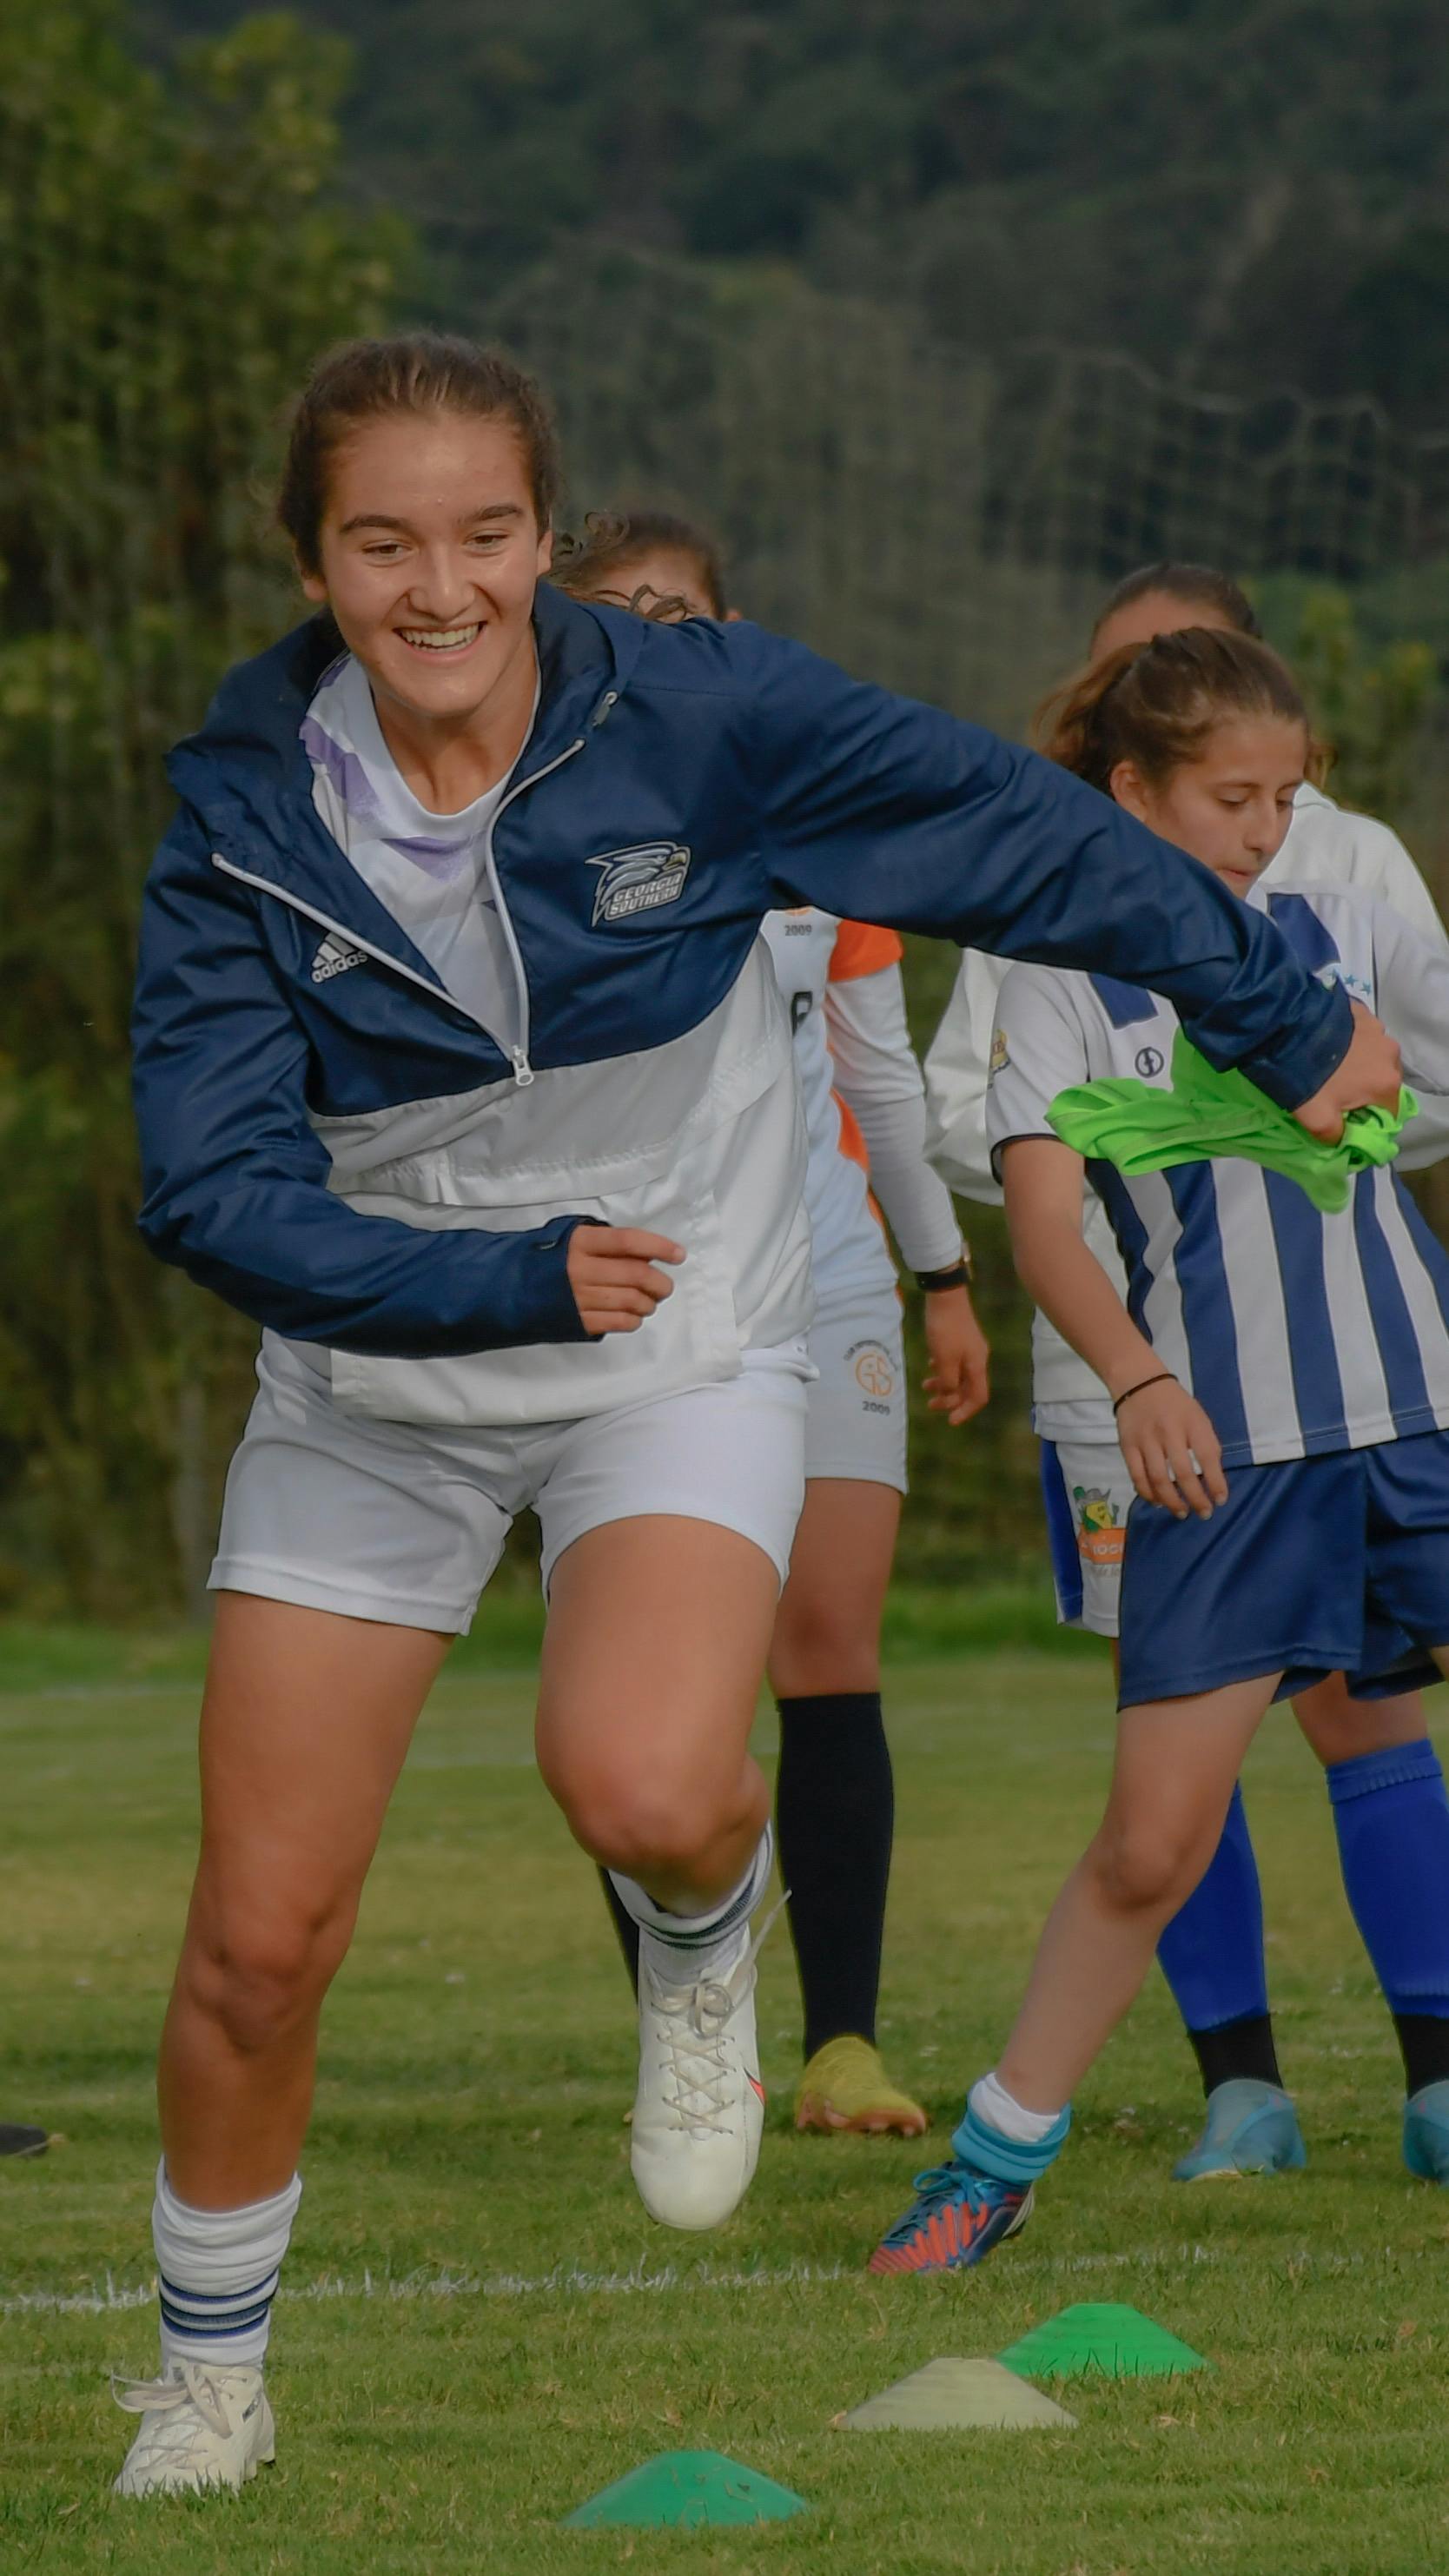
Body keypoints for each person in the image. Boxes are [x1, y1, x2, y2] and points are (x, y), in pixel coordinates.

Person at [116, 332, 1393, 2494]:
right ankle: (209, 2371)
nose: (442, 589)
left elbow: (1005, 831)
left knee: (639, 1775)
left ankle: (709, 1941)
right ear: (311, 560)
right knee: (258, 1940)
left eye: (489, 535)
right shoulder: (243, 815)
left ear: (549, 537)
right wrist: (493, 1276)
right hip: (379, 1376)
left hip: (674, 1342)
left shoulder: (692, 711)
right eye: (383, 542)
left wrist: (1272, 1007)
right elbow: (212, 1187)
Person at [874, 626, 1449, 2278]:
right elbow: (1046, 1221)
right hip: (1228, 1459)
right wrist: (1133, 1377)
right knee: (1149, 1842)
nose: (1269, 828)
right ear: (1132, 792)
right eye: (1232, 796)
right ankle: (991, 2168)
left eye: (1287, 794)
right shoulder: (1056, 968)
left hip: (1417, 1416)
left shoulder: (1335, 918)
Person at [557, 511, 989, 2137]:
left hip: (828, 1269)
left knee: (830, 1646)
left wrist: (942, 1275)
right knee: (653, 1694)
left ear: (730, 629)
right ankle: (695, 2038)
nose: (653, 633)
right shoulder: (529, 830)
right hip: (647, 1282)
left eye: (681, 610)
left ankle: (841, 2045)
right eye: (615, 611)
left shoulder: (806, 813)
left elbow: (877, 1067)